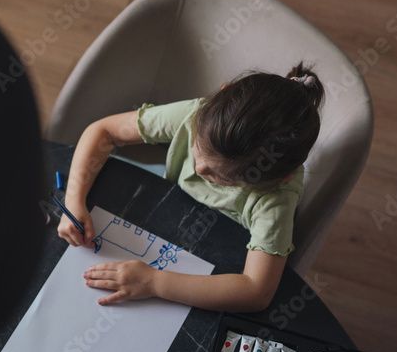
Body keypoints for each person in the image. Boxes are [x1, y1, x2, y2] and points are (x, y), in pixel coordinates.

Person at [59, 63, 324, 311]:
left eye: (220, 177)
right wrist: (73, 200)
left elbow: (256, 291)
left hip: (218, 255)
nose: (198, 169)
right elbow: (104, 132)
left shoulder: (275, 198)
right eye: (198, 148)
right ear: (221, 93)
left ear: (283, 178)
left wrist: (154, 283)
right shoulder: (195, 115)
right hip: (167, 214)